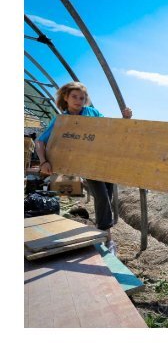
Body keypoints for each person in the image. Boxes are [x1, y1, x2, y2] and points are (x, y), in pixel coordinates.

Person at [35, 82, 132, 255]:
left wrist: (124, 119)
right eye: (74, 97)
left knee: (106, 198)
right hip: (87, 166)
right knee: (102, 197)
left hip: (104, 162)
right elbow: (40, 141)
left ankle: (101, 230)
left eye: (82, 98)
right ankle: (108, 238)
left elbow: (111, 129)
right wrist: (43, 162)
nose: (79, 100)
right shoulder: (61, 120)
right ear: (65, 97)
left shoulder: (92, 113)